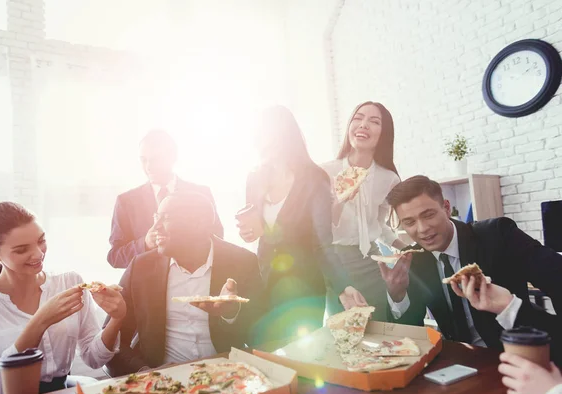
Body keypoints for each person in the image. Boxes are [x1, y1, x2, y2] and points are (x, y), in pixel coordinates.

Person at [379, 175, 562, 364]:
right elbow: (408, 338)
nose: (423, 228)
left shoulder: (499, 235)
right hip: (458, 363)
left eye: (429, 215)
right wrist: (398, 295)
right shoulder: (413, 259)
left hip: (518, 357)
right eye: (409, 222)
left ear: (447, 208)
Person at [0, 202, 126, 394]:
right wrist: (39, 323)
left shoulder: (69, 281)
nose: (39, 254)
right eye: (22, 249)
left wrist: (116, 318)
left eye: (41, 240)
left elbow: (93, 358)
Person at [237, 106, 362, 344]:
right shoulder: (254, 178)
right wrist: (247, 231)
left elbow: (323, 242)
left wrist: (344, 287)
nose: (258, 140)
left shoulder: (314, 179)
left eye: (264, 133)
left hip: (304, 288)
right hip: (263, 282)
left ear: (283, 134)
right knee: (265, 355)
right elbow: (256, 231)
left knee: (300, 358)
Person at [105, 191, 263, 376]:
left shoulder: (243, 262)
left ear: (199, 224)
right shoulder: (141, 268)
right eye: (156, 217)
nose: (155, 227)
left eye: (166, 218)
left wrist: (231, 313)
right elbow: (112, 340)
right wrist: (146, 373)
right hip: (161, 379)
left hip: (226, 377)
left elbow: (261, 333)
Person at [322, 101, 406, 318]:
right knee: (343, 333)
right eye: (358, 118)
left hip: (372, 262)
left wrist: (404, 248)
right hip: (336, 264)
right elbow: (320, 230)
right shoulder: (324, 172)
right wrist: (339, 200)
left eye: (374, 121)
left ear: (384, 133)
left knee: (379, 327)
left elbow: (379, 225)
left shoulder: (389, 178)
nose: (364, 125)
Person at [107, 130, 224, 269]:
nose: (149, 167)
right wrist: (145, 244)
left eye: (155, 159)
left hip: (195, 282)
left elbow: (217, 239)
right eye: (143, 160)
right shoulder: (126, 202)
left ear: (172, 157)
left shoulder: (201, 194)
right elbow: (115, 257)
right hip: (146, 286)